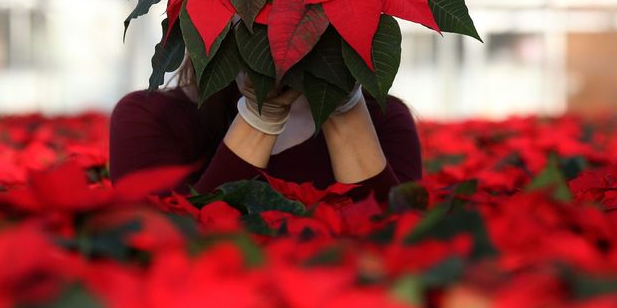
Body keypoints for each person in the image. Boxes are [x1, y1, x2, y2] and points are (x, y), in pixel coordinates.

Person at [108, 59, 422, 203]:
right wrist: (259, 117)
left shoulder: (384, 121)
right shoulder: (151, 117)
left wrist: (342, 102)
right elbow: (159, 253)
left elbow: (398, 247)